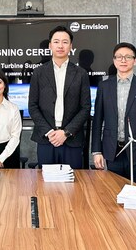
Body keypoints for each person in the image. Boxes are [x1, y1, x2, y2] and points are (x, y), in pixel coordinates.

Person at [91, 42, 136, 186]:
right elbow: (97, 121)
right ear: (114, 60)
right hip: (112, 151)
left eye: (128, 57)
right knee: (114, 193)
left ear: (135, 61)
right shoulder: (104, 86)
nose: (123, 60)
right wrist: (96, 151)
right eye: (119, 57)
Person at [28, 25, 90, 168]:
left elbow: (85, 108)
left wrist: (66, 132)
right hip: (46, 139)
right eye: (56, 42)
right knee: (46, 180)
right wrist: (49, 132)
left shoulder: (81, 74)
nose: (60, 46)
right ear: (50, 45)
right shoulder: (39, 73)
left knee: (73, 180)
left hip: (72, 140)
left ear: (71, 46)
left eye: (65, 42)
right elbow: (33, 106)